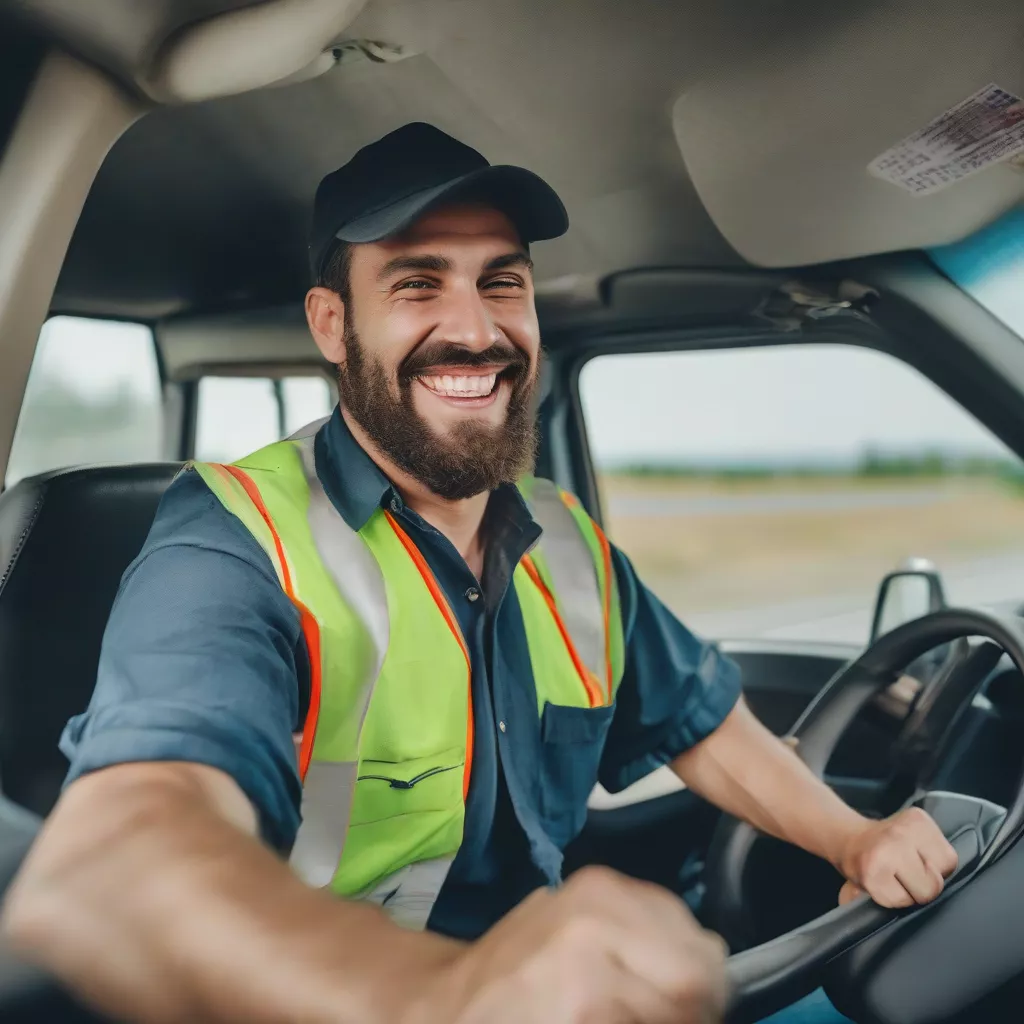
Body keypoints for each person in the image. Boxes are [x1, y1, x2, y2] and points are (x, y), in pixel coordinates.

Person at [3, 123, 957, 1024]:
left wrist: (853, 837)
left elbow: (699, 719)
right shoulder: (236, 541)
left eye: (502, 284)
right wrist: (454, 993)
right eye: (418, 284)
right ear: (333, 325)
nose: (476, 330)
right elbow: (115, 864)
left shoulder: (564, 536)